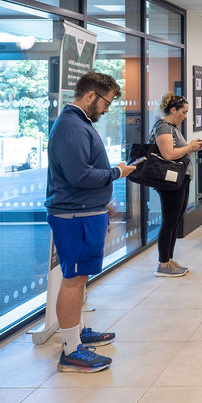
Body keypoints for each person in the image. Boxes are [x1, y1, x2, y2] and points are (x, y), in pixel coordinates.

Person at [46, 71, 138, 373]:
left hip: (86, 211)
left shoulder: (78, 123)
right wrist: (117, 172)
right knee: (73, 280)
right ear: (90, 96)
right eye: (106, 103)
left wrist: (104, 202)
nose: (107, 109)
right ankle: (71, 350)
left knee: (80, 278)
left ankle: (77, 331)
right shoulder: (72, 127)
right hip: (75, 216)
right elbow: (79, 175)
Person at [151, 92, 202, 277]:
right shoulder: (163, 127)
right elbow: (168, 154)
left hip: (180, 180)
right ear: (172, 110)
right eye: (183, 112)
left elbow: (177, 151)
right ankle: (163, 264)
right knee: (169, 221)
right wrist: (190, 147)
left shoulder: (172, 128)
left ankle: (169, 260)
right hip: (170, 182)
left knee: (175, 221)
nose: (185, 115)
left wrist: (191, 146)